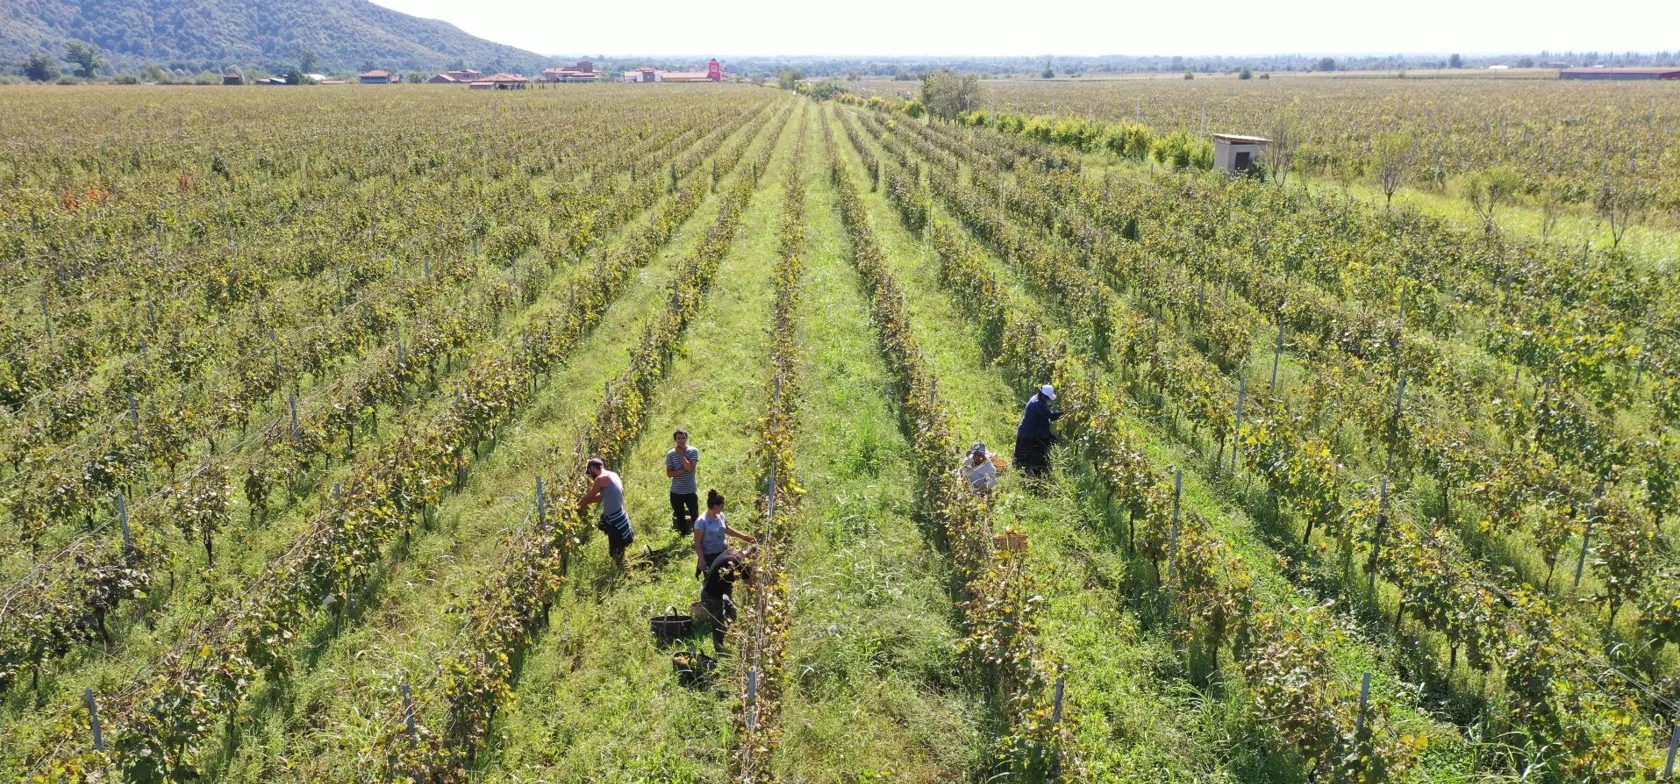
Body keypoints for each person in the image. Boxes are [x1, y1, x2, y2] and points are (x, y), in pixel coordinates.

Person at [579, 457, 633, 567]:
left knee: (615, 551)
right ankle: (622, 565)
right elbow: (600, 497)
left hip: (614, 518)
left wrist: (578, 506)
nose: (590, 475)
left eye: (589, 472)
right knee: (618, 546)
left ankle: (621, 570)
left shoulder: (600, 479)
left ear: (593, 468)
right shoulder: (612, 474)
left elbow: (590, 496)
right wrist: (586, 501)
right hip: (619, 513)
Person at [700, 545, 756, 651]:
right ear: (752, 556)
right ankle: (720, 650)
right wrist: (756, 603)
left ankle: (731, 637)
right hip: (711, 595)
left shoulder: (733, 551)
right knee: (718, 624)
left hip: (715, 590)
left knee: (732, 611)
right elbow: (751, 587)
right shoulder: (742, 563)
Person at [694, 489, 757, 578]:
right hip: (710, 555)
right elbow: (697, 543)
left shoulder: (721, 516)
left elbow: (727, 530)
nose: (723, 508)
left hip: (723, 552)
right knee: (713, 578)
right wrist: (701, 559)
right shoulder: (701, 522)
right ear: (715, 506)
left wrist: (744, 537)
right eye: (722, 506)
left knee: (726, 576)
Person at [1014, 384, 1063, 478]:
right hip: (1026, 434)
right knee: (1021, 458)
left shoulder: (1037, 398)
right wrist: (1062, 413)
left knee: (1026, 458)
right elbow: (1050, 415)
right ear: (1043, 396)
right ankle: (1019, 478)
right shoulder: (1037, 404)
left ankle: (1027, 476)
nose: (1048, 401)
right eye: (1048, 398)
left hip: (1028, 432)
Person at [666, 429, 700, 535]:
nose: (681, 440)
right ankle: (683, 535)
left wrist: (681, 456)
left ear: (686, 438)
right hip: (676, 491)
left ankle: (698, 535)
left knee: (695, 515)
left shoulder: (693, 451)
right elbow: (669, 474)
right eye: (678, 438)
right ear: (675, 440)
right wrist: (684, 470)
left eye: (683, 438)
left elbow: (691, 469)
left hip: (690, 490)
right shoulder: (671, 454)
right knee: (680, 515)